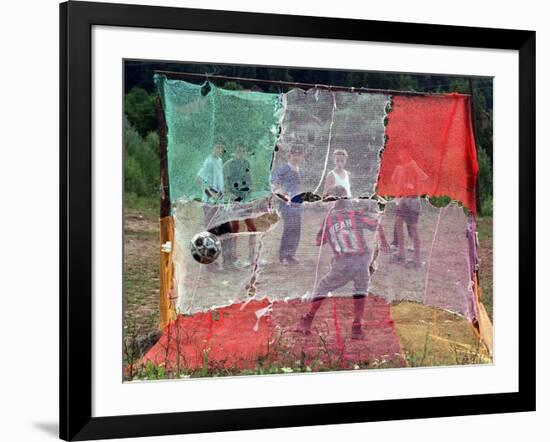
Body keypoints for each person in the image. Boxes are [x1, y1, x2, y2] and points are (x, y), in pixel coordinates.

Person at [294, 185, 389, 339]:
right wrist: (383, 240)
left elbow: (319, 241)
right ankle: (357, 327)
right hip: (361, 261)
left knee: (323, 287)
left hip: (343, 263)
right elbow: (375, 224)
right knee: (360, 291)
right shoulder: (355, 215)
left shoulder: (329, 220)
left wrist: (332, 234)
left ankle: (308, 318)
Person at [195, 141, 235, 270]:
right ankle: (210, 263)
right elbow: (198, 181)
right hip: (210, 204)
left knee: (226, 231)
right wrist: (210, 193)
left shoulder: (219, 161)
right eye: (217, 147)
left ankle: (228, 262)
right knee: (212, 232)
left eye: (222, 147)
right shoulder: (209, 161)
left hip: (220, 204)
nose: (220, 149)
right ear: (212, 148)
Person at [390, 147, 428, 268]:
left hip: (411, 200)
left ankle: (416, 259)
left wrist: (413, 192)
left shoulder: (412, 165)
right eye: (400, 152)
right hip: (403, 199)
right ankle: (401, 252)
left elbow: (422, 178)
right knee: (398, 223)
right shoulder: (402, 167)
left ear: (408, 153)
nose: (401, 154)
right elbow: (398, 183)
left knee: (413, 228)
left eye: (404, 151)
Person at [224, 142, 257, 266]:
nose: (240, 154)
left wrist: (250, 194)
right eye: (238, 151)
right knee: (234, 228)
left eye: (243, 151)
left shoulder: (246, 163)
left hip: (245, 199)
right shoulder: (229, 165)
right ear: (234, 151)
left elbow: (250, 180)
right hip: (234, 200)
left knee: (252, 228)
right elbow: (225, 182)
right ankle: (233, 255)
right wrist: (230, 195)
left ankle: (252, 256)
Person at [271, 144, 305, 265]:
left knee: (296, 229)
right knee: (288, 228)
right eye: (294, 154)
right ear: (289, 155)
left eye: (299, 155)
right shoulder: (283, 168)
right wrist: (281, 193)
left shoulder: (301, 170)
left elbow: (301, 186)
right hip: (286, 204)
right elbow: (274, 181)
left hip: (297, 204)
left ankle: (291, 254)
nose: (296, 157)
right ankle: (283, 256)